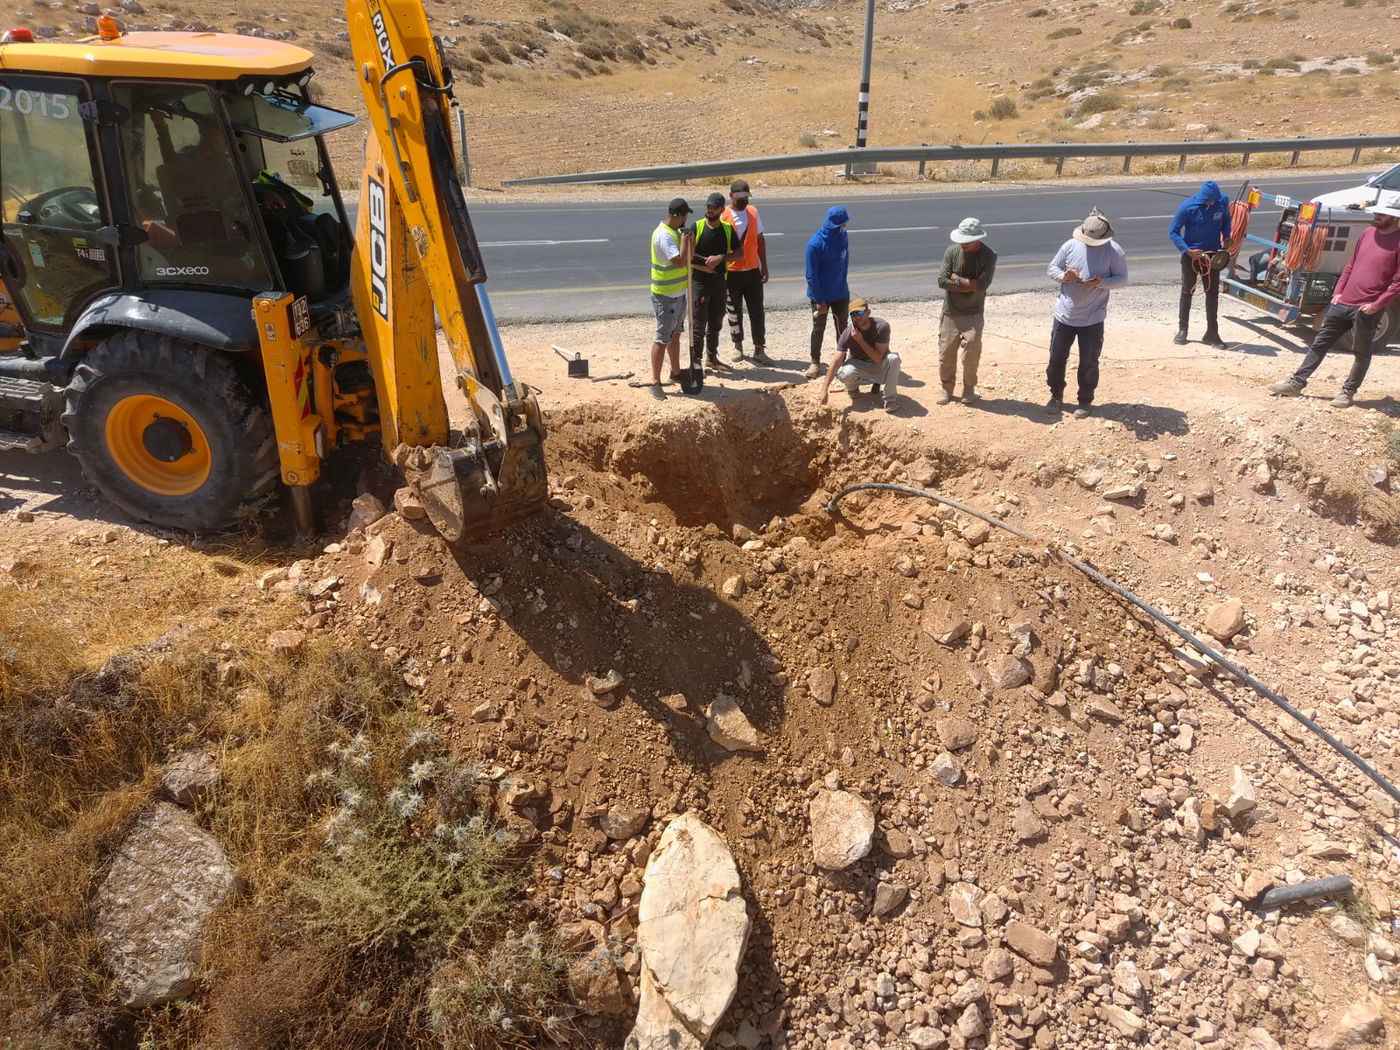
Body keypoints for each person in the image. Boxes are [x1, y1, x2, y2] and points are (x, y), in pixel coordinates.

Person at [1268, 192, 1400, 408]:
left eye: (1382, 214)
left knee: (1361, 352)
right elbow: (1351, 264)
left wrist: (1376, 305)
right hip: (1343, 302)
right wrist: (1338, 292)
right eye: (1377, 212)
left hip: (1367, 309)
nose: (1376, 216)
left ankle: (1348, 392)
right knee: (1319, 344)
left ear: (1395, 218)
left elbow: (1397, 283)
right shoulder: (1368, 233)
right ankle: (1296, 383)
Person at [1045, 208, 1129, 419]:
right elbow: (1052, 269)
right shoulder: (1070, 245)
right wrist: (1065, 276)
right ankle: (1056, 396)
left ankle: (1085, 400)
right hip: (1064, 316)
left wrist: (1101, 283)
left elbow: (1122, 279)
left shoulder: (1114, 251)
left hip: (1093, 319)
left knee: (1089, 362)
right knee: (1056, 358)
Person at [936, 217, 997, 404]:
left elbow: (982, 286)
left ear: (977, 239)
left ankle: (969, 388)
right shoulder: (952, 251)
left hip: (974, 313)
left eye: (967, 241)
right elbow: (942, 281)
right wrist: (970, 285)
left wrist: (956, 279)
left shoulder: (989, 255)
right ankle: (947, 389)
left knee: (971, 355)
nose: (962, 244)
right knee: (946, 354)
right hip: (950, 312)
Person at [1168, 180, 1232, 348]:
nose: (1210, 204)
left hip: (1212, 256)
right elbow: (1173, 232)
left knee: (1212, 294)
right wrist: (1187, 250)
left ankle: (1212, 333)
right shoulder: (1187, 208)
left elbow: (1226, 219)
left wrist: (1226, 235)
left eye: (1212, 201)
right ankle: (1183, 330)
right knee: (1187, 292)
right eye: (1207, 202)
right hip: (1192, 256)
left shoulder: (1222, 201)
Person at [817, 296, 901, 413]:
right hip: (859, 363)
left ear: (868, 312)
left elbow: (878, 358)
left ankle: (890, 400)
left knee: (894, 359)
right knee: (844, 373)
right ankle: (852, 388)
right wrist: (824, 390)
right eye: (853, 314)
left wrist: (860, 340)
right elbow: (836, 362)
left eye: (860, 312)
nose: (857, 317)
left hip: (878, 363)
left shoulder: (881, 326)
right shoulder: (848, 332)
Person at [690, 192, 743, 374]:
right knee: (699, 324)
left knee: (716, 322)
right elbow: (688, 255)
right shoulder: (697, 227)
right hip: (699, 283)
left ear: (721, 210)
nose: (709, 210)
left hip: (719, 282)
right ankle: (696, 361)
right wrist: (705, 264)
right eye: (708, 207)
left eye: (713, 208)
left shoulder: (727, 229)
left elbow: (740, 253)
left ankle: (711, 358)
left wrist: (721, 258)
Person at [648, 198, 694, 400]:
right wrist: (684, 241)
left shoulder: (675, 232)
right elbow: (679, 261)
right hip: (665, 296)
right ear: (681, 216)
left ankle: (675, 372)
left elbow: (689, 257)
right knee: (662, 339)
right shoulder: (664, 235)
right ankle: (655, 382)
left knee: (675, 335)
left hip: (679, 294)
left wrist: (690, 240)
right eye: (685, 216)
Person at [722, 179, 772, 365]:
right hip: (732, 273)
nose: (744, 201)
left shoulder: (753, 212)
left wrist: (764, 265)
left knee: (757, 312)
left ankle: (759, 349)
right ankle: (738, 346)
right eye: (740, 197)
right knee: (734, 312)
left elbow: (760, 239)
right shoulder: (723, 215)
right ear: (731, 196)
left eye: (746, 197)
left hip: (752, 271)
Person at [805, 205, 851, 379]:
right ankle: (815, 363)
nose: (845, 226)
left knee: (842, 329)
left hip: (840, 293)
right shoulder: (815, 244)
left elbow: (845, 261)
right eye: (842, 223)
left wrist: (842, 282)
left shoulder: (844, 237)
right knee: (818, 329)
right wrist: (819, 300)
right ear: (835, 224)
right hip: (821, 296)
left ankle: (842, 362)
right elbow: (811, 275)